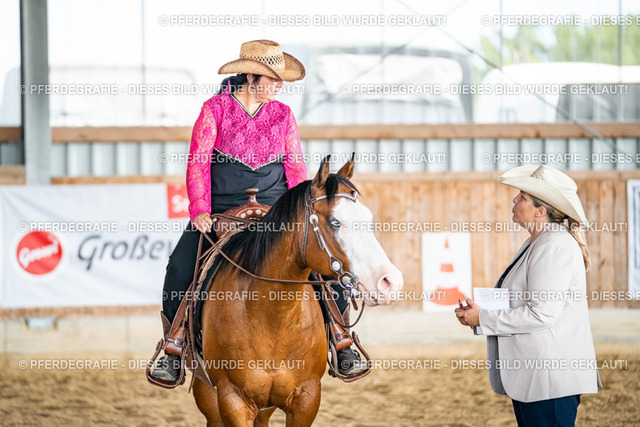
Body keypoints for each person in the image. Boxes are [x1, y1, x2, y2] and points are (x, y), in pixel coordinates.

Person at [150, 40, 364, 384]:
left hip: (276, 212)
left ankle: (342, 341)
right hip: (221, 213)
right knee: (179, 267)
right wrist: (200, 209)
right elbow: (198, 163)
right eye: (273, 79)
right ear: (251, 76)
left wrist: (301, 206)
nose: (279, 86)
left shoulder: (283, 115)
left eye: (281, 80)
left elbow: (295, 167)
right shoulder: (215, 109)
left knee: (324, 261)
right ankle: (174, 347)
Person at [455, 165, 601, 426]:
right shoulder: (541, 242)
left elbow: (541, 314)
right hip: (538, 377)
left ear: (540, 211)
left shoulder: (553, 245)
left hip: (548, 380)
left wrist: (483, 318)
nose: (514, 200)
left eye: (522, 196)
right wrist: (478, 315)